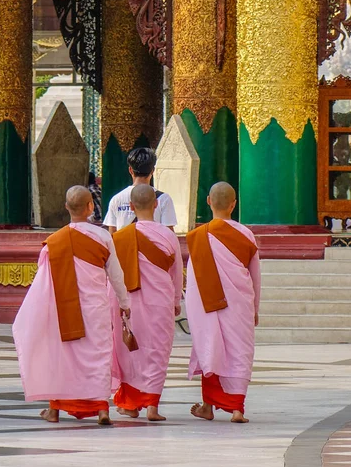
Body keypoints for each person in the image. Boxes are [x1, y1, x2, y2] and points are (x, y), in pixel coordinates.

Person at [12, 186, 130, 425]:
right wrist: (124, 302)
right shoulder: (104, 237)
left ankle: (55, 409)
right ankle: (101, 408)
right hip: (95, 309)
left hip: (63, 310)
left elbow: (43, 282)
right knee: (98, 356)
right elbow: (116, 275)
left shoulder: (53, 243)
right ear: (90, 208)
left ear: (66, 207)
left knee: (60, 356)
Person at [185, 182, 261, 424]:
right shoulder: (246, 234)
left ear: (208, 201)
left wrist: (196, 314)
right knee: (239, 352)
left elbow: (194, 283)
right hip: (239, 305)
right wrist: (255, 309)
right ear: (233, 204)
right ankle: (237, 409)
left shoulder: (198, 236)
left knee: (211, 346)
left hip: (208, 305)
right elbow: (255, 276)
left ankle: (209, 406)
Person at [110, 184, 183, 421]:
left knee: (130, 352)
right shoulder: (169, 235)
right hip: (160, 302)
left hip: (129, 302)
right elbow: (176, 273)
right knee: (157, 351)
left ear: (131, 207)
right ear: (156, 205)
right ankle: (152, 405)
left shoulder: (119, 238)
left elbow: (112, 276)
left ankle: (130, 404)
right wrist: (175, 301)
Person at [103, 147, 177, 233]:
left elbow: (112, 234)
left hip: (125, 246)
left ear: (130, 170)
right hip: (152, 246)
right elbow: (169, 234)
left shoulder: (116, 199)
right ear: (152, 171)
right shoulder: (164, 199)